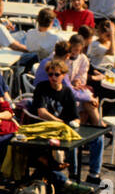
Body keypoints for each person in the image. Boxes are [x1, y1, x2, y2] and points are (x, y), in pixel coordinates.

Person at [30, 58, 105, 186]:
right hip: (49, 128)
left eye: (57, 74)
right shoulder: (42, 88)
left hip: (66, 127)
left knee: (98, 138)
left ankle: (94, 174)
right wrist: (59, 121)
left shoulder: (67, 91)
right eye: (50, 74)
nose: (53, 77)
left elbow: (75, 116)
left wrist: (74, 123)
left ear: (63, 75)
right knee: (71, 142)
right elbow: (41, 112)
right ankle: (73, 175)